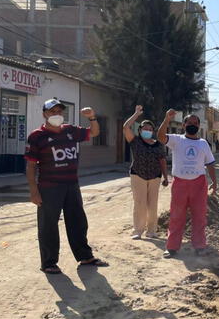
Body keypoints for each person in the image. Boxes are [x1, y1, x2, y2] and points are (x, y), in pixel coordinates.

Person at [25, 98, 108, 274]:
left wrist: (92, 117)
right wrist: (34, 191)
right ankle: (49, 262)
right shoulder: (36, 136)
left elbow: (94, 133)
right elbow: (31, 165)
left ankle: (85, 256)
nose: (57, 114)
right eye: (52, 111)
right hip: (49, 187)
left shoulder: (71, 131)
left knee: (78, 221)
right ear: (44, 114)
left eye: (59, 111)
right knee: (48, 225)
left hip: (71, 184)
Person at [157, 110, 217, 258]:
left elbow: (210, 164)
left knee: (199, 216)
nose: (193, 125)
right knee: (176, 216)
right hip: (180, 184)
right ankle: (171, 247)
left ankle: (200, 246)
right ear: (184, 125)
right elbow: (160, 137)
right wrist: (166, 119)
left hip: (199, 184)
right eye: (190, 123)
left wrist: (215, 182)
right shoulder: (176, 140)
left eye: (196, 123)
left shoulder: (203, 143)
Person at [123, 105, 168, 240]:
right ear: (140, 130)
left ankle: (152, 231)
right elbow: (125, 127)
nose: (147, 130)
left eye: (150, 129)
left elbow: (162, 161)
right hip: (138, 175)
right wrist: (136, 114)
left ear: (153, 131)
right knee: (139, 204)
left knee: (152, 205)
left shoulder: (158, 144)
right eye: (144, 128)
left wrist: (166, 177)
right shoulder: (135, 141)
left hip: (155, 177)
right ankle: (138, 230)